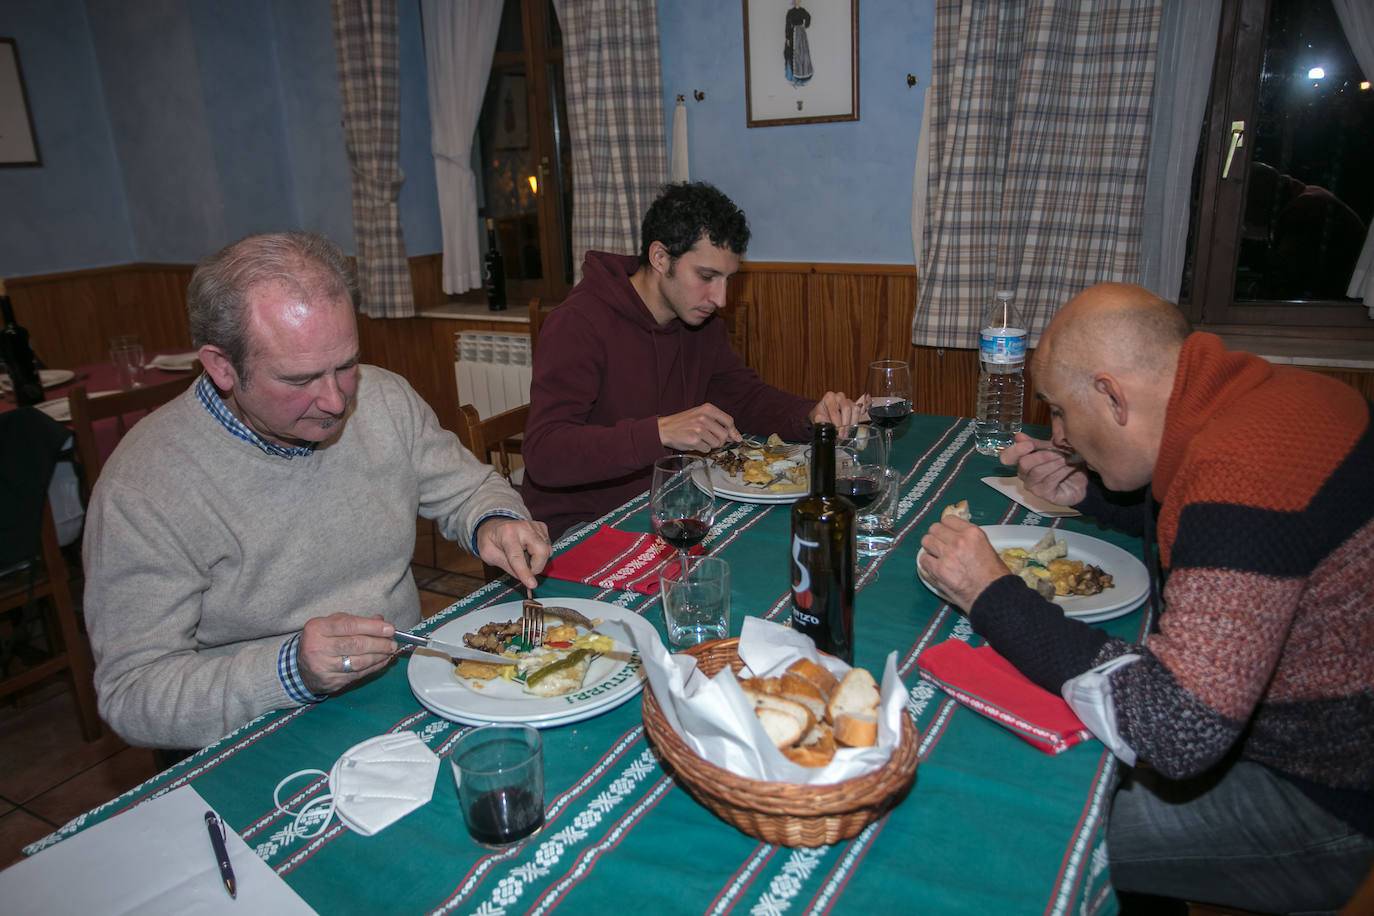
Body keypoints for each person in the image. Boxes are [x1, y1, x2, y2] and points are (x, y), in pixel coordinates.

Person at [919, 282, 1373, 913]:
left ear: (1111, 395)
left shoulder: (1240, 467)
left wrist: (993, 593)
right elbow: (1226, 529)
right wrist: (1094, 495)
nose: (1060, 436)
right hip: (1313, 744)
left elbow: (1176, 730)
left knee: (1018, 822)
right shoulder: (1280, 398)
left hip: (1324, 804)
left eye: (1059, 411)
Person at [83, 232, 551, 750]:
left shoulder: (383, 397)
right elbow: (131, 693)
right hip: (256, 733)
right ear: (222, 367)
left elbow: (468, 490)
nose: (334, 400)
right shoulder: (144, 486)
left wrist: (495, 519)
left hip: (402, 686)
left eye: (345, 364)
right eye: (299, 378)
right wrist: (289, 671)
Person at [520, 182, 864, 539]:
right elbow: (545, 454)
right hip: (582, 528)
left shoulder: (698, 320)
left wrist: (809, 415)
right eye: (706, 276)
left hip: (669, 503)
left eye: (727, 279)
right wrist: (660, 432)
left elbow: (743, 397)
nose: (720, 298)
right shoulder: (578, 323)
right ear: (660, 258)